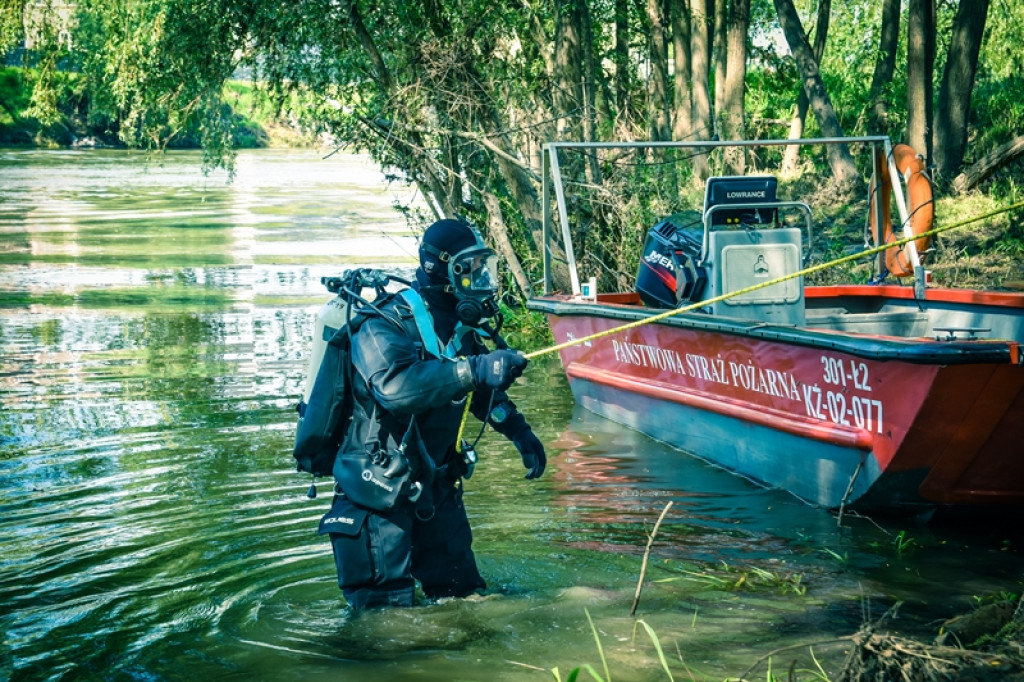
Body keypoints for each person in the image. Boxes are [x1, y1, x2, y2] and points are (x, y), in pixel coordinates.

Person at [319, 218, 547, 611]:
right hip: (377, 497)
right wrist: (474, 369)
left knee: (467, 603)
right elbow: (396, 388)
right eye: (469, 269)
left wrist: (519, 432)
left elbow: (479, 392)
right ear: (440, 269)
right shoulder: (382, 322)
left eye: (483, 268)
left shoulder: (461, 330)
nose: (480, 279)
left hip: (436, 489)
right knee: (386, 630)